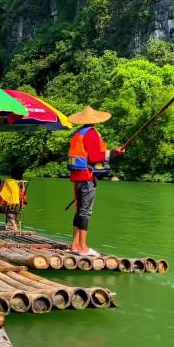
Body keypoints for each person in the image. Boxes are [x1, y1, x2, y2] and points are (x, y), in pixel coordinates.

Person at [66, 106, 125, 256]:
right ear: (95, 121)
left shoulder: (78, 133)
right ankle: (83, 247)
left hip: (77, 176)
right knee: (86, 211)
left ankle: (74, 244)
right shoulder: (91, 134)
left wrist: (112, 153)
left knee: (79, 209)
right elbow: (94, 157)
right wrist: (113, 153)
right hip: (86, 176)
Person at [0, 166, 26, 230]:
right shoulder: (22, 183)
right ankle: (15, 225)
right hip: (19, 204)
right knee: (11, 209)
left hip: (7, 205)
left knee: (8, 209)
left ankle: (14, 226)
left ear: (11, 174)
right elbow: (22, 194)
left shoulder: (9, 182)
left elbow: (3, 193)